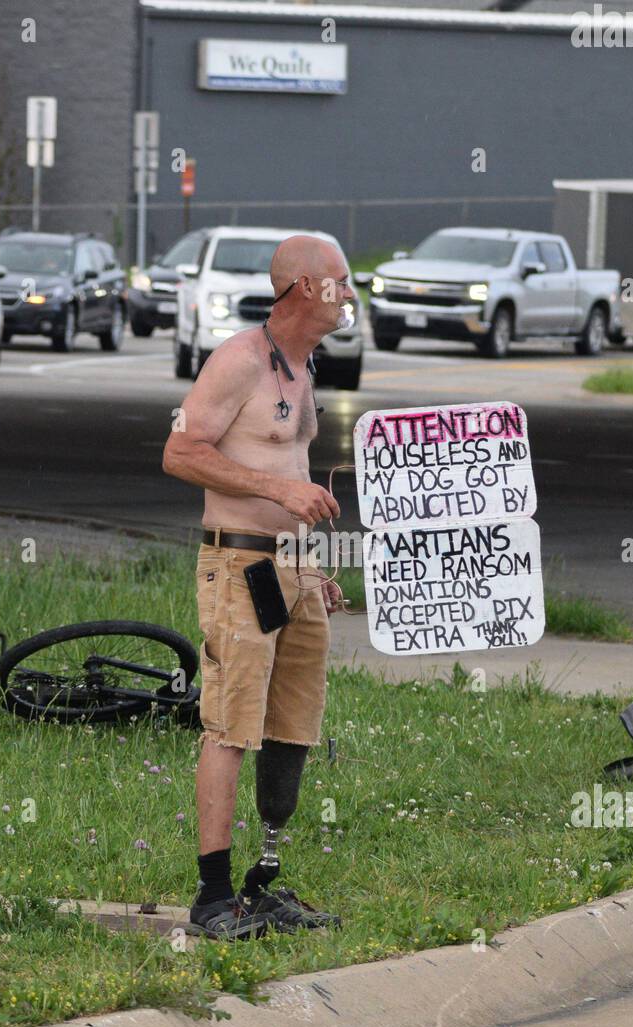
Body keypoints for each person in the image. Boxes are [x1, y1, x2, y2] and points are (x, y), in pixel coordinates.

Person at [162, 235, 355, 939]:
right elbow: (180, 451)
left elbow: (291, 467)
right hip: (238, 567)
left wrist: (309, 566)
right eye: (339, 280)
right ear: (303, 286)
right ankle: (212, 897)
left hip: (291, 571)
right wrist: (278, 488)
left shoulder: (302, 369)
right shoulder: (238, 360)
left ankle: (263, 881)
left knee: (292, 727)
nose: (349, 292)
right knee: (232, 725)